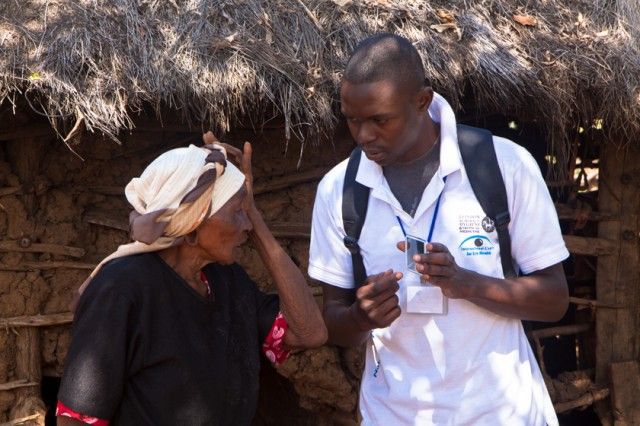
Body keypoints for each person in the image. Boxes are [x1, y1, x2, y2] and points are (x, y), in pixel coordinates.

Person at [308, 33, 569, 425]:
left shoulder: (503, 166)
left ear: (422, 101)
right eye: (352, 120)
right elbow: (332, 322)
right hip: (393, 416)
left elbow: (554, 300)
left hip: (501, 414)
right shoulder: (339, 191)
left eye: (380, 120)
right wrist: (361, 318)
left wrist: (467, 284)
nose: (363, 136)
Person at [56, 132, 327, 425]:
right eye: (237, 212)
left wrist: (254, 214)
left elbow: (309, 333)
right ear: (192, 228)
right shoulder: (122, 289)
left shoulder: (227, 281)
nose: (245, 225)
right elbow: (76, 420)